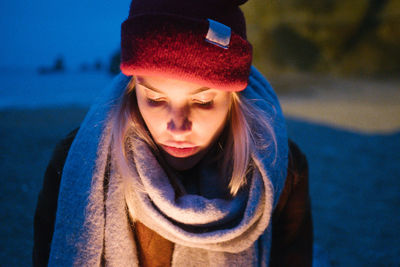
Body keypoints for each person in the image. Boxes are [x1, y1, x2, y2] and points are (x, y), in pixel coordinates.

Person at [33, 0, 313, 266]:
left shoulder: (282, 171)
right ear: (133, 91)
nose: (178, 126)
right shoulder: (77, 162)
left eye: (203, 102)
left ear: (233, 99)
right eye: (155, 99)